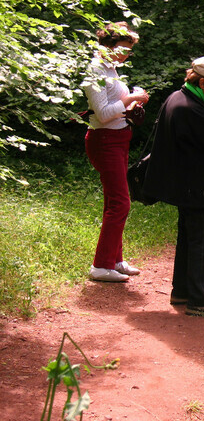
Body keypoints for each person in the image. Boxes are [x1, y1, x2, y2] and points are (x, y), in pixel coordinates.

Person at [142, 57, 204, 318]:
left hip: (187, 184)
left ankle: (182, 291)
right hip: (198, 186)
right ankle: (200, 299)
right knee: (202, 241)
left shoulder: (177, 98)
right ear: (202, 81)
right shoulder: (192, 109)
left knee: (188, 239)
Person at [83, 21, 150, 283]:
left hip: (120, 139)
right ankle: (100, 266)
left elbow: (115, 108)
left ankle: (115, 260)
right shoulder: (95, 70)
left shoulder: (110, 68)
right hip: (104, 141)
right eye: (123, 48)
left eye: (129, 51)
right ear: (108, 45)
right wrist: (131, 99)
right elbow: (102, 114)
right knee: (121, 202)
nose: (126, 55)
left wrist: (132, 100)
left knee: (114, 202)